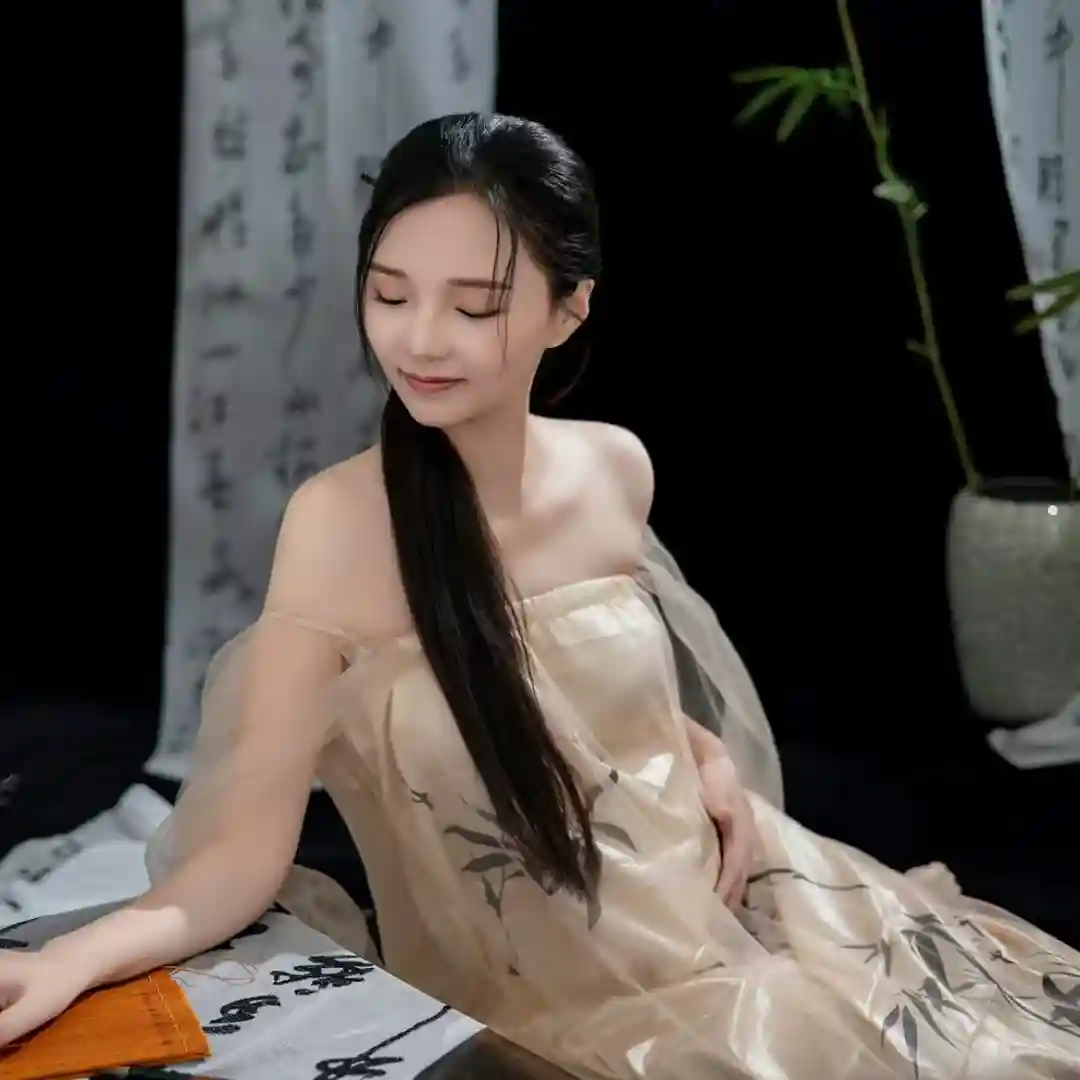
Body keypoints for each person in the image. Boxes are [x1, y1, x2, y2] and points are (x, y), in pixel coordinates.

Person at [1, 114, 1076, 1080]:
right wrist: (68, 963)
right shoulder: (337, 527)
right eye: (390, 294)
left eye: (475, 305)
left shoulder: (615, 466)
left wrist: (702, 755)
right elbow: (239, 855)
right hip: (560, 1004)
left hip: (732, 904)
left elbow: (608, 695)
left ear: (570, 309)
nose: (420, 339)